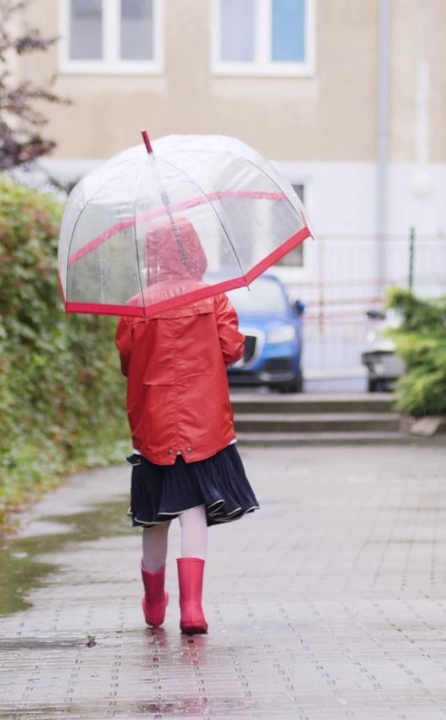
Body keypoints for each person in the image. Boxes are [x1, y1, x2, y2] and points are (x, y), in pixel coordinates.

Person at [115, 216, 260, 635]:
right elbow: (232, 349)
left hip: (154, 421)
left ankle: (155, 601)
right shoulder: (213, 298)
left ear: (153, 255)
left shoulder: (136, 305)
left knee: (156, 516)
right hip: (203, 420)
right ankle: (192, 608)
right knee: (193, 511)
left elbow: (127, 363)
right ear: (194, 249)